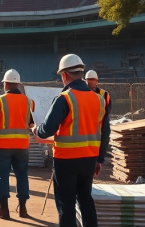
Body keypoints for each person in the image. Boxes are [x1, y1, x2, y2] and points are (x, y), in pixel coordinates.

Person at [32, 54, 110, 227]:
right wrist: (99, 159)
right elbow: (105, 132)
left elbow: (47, 130)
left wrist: (36, 130)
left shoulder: (64, 98)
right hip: (89, 159)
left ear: (65, 75)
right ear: (81, 73)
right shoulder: (99, 100)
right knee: (86, 199)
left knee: (65, 204)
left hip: (66, 160)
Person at [0, 69, 34, 219]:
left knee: (2, 176)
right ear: (17, 84)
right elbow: (31, 122)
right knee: (22, 175)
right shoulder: (28, 101)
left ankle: (3, 209)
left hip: (3, 146)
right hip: (22, 146)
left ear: (5, 84)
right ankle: (23, 208)